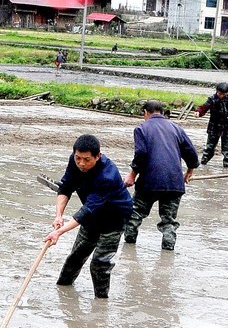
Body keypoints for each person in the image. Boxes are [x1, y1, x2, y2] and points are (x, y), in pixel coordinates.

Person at [45, 134, 133, 298]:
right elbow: (65, 188)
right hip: (92, 216)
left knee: (100, 263)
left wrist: (59, 232)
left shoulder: (107, 175)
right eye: (78, 158)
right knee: (75, 256)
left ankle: (101, 303)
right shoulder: (74, 161)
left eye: (86, 159)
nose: (81, 164)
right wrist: (59, 216)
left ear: (98, 156)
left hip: (114, 218)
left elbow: (86, 211)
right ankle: (63, 291)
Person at [123, 100, 200, 251]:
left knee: (135, 214)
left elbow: (141, 153)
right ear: (162, 112)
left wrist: (132, 174)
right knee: (169, 222)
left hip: (148, 182)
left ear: (146, 112)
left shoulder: (142, 128)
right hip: (174, 183)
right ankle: (168, 250)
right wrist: (189, 172)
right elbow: (191, 153)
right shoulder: (176, 128)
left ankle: (129, 245)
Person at [195, 82, 228, 169]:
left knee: (227, 150)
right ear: (217, 91)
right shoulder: (212, 99)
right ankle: (203, 164)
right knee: (209, 148)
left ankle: (226, 167)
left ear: (227, 93)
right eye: (220, 93)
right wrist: (198, 112)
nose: (221, 96)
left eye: (223, 94)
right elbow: (204, 107)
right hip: (214, 126)